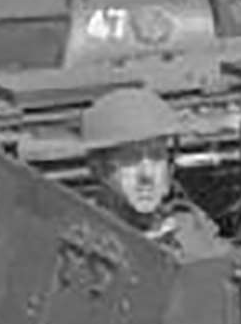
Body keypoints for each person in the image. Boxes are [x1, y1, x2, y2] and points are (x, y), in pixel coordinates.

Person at [80, 84, 226, 260]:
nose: (147, 175)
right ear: (99, 169)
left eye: (157, 156)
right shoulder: (82, 239)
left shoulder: (193, 231)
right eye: (130, 159)